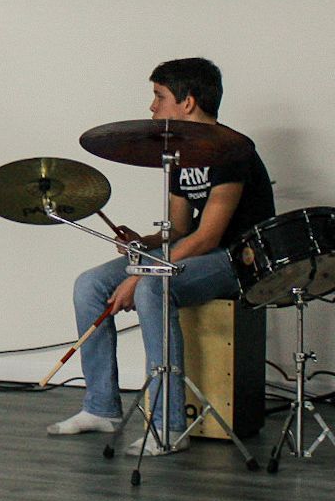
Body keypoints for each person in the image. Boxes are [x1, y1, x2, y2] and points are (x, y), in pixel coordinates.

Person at [49, 58, 275, 455]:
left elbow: (209, 237)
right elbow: (179, 229)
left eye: (159, 97)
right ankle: (101, 407)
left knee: (153, 287)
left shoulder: (232, 150)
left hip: (236, 259)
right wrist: (144, 242)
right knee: (90, 284)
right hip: (196, 252)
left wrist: (139, 275)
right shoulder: (179, 153)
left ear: (187, 102)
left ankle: (169, 425)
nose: (152, 108)